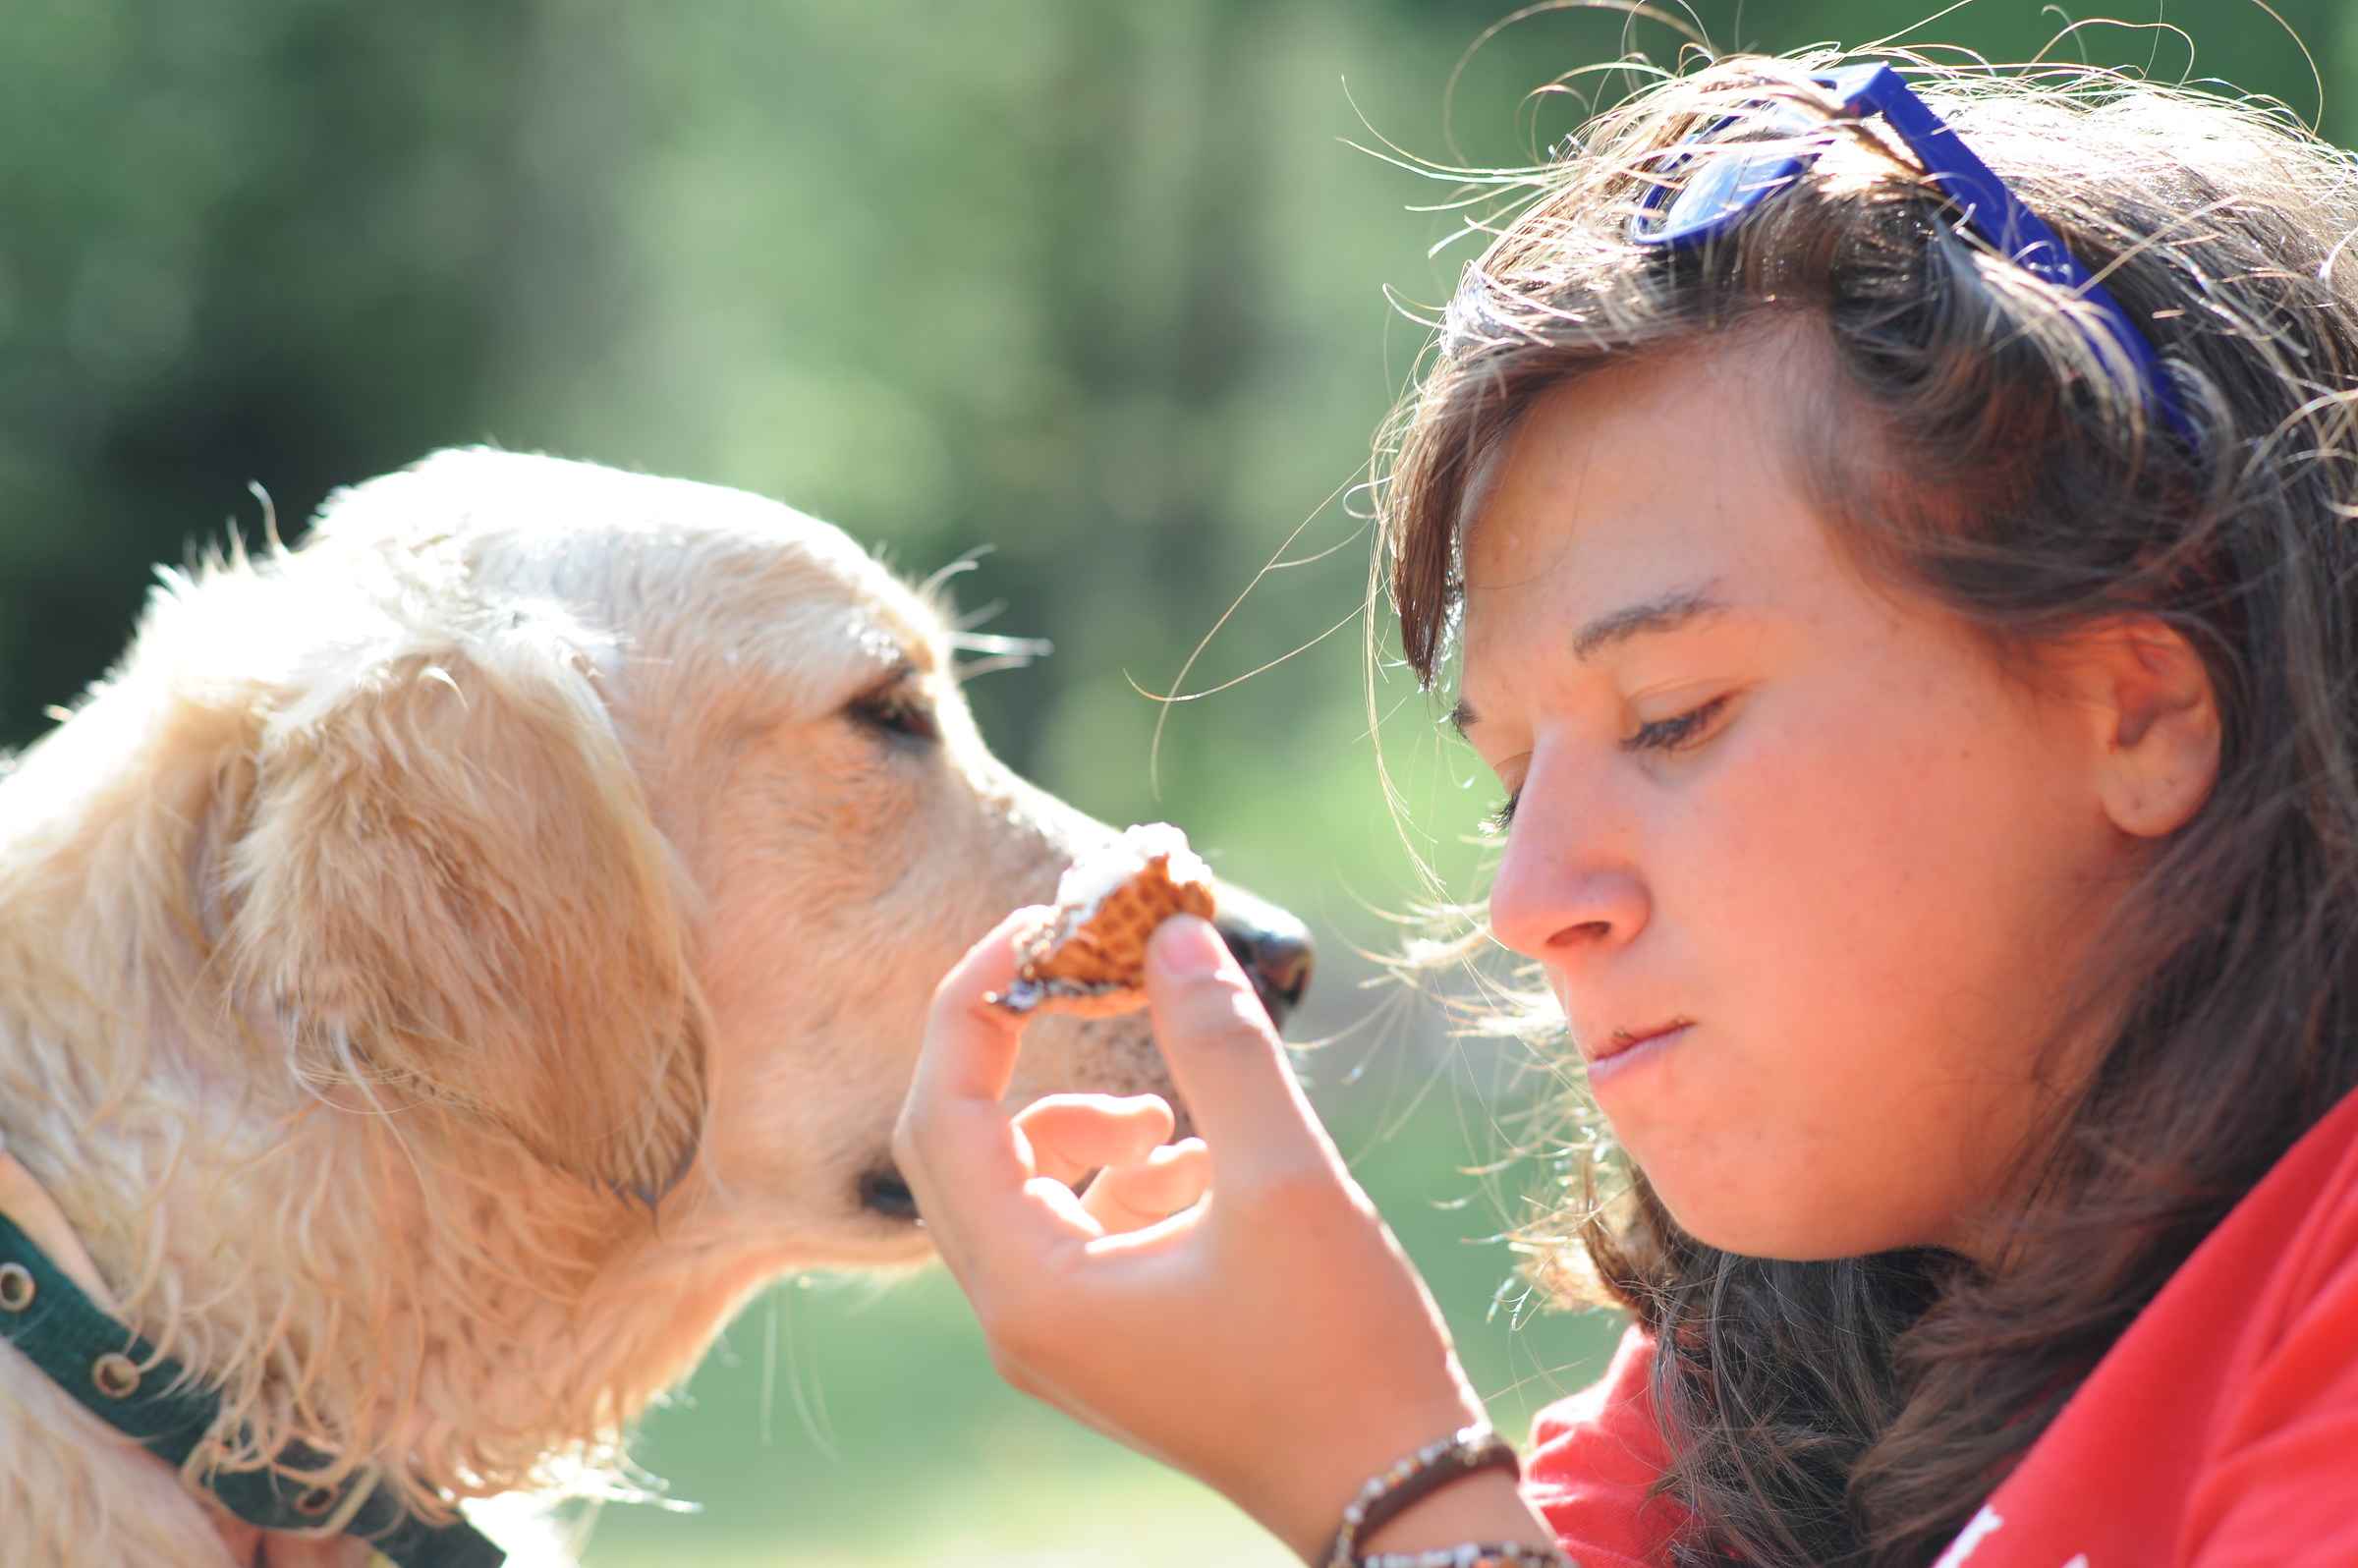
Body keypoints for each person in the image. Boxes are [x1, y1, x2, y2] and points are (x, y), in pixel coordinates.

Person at [893, 50, 2358, 1568]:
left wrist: (1389, 1485)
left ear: (2139, 708)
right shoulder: (1743, 1379)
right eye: (1514, 780)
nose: (1529, 901)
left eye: (1673, 719)